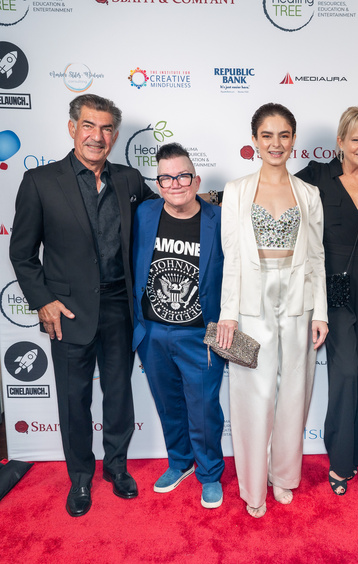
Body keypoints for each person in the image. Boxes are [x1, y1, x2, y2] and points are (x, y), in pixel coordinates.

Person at [9, 94, 157, 517]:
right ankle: (80, 477)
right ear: (72, 127)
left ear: (115, 134)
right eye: (89, 125)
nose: (98, 135)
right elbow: (22, 253)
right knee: (74, 400)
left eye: (107, 128)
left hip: (120, 306)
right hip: (67, 311)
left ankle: (116, 467)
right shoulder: (40, 182)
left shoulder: (129, 180)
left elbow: (166, 211)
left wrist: (218, 203)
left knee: (119, 394)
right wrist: (43, 301)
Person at [217, 103, 328, 518]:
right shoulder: (236, 190)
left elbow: (317, 257)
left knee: (294, 393)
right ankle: (252, 487)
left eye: (284, 135)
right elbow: (230, 257)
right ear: (254, 141)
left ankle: (283, 476)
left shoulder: (309, 193)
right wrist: (228, 313)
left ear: (294, 140)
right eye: (267, 135)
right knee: (253, 393)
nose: (276, 143)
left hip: (298, 298)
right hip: (250, 301)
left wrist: (321, 313)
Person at [296, 106, 358, 495]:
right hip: (330, 285)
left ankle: (356, 455)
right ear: (340, 142)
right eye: (356, 139)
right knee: (346, 371)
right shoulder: (317, 176)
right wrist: (216, 196)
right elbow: (273, 192)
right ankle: (338, 461)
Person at [132, 143, 226, 509]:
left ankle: (209, 474)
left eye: (183, 175)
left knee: (203, 409)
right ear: (157, 184)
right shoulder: (144, 214)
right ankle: (179, 462)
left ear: (196, 179)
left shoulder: (220, 219)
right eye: (166, 177)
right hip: (152, 332)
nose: (175, 183)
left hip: (199, 334)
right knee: (169, 405)